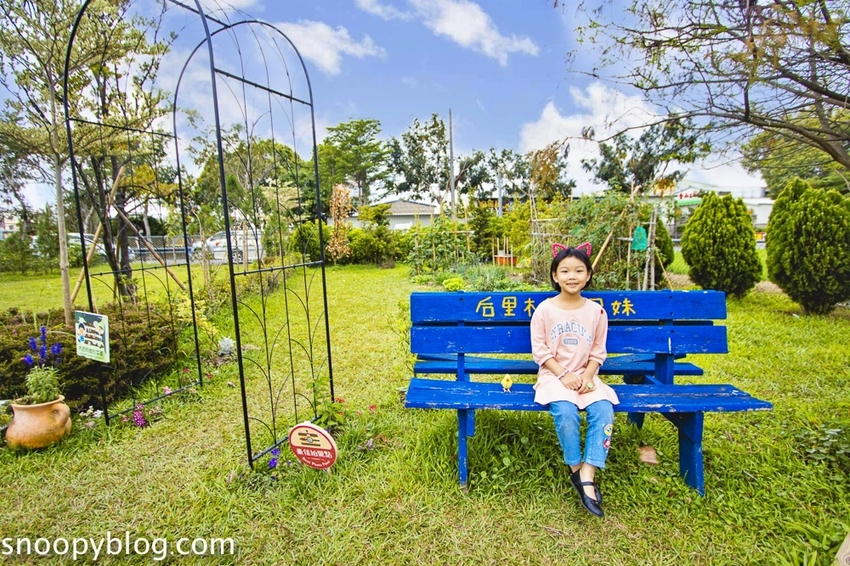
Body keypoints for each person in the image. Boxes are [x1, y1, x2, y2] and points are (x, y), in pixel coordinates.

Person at [530, 242, 619, 518]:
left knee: (604, 410)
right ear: (555, 276)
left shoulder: (596, 312)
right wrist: (563, 375)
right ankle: (575, 468)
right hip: (554, 376)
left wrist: (589, 376)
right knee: (566, 413)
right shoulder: (545, 310)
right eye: (565, 270)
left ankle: (588, 474)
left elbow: (598, 351)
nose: (572, 276)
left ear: (588, 275)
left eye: (579, 270)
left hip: (587, 375)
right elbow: (541, 351)